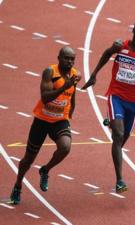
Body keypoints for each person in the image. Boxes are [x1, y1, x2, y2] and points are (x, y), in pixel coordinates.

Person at [82, 20, 135, 193]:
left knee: (122, 138)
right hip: (116, 96)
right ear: (133, 31)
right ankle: (120, 180)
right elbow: (106, 54)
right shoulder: (120, 46)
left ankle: (113, 122)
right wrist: (94, 75)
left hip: (133, 102)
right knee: (118, 134)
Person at [10, 46, 81, 205]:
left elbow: (72, 91)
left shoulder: (75, 75)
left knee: (65, 147)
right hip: (42, 121)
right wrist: (64, 86)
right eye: (66, 58)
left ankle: (45, 170)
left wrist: (72, 110)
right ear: (59, 58)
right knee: (28, 160)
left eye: (72, 59)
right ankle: (18, 184)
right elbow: (45, 98)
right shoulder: (50, 72)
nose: (70, 62)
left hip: (59, 120)